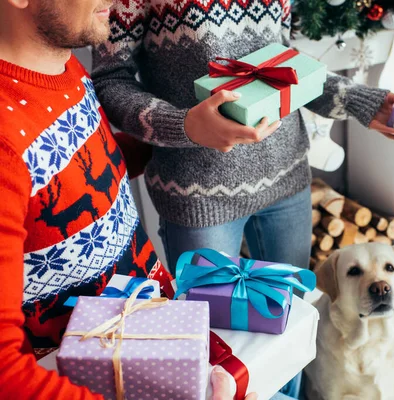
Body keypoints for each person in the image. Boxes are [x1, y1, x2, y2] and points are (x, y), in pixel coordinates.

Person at [0, 1, 251, 399]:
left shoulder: (63, 67)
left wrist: (187, 133)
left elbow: (83, 169)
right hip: (102, 375)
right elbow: (6, 374)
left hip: (157, 330)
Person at [91, 0, 394, 279]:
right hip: (199, 196)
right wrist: (183, 124)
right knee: (214, 329)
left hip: (288, 181)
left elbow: (284, 65)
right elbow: (110, 79)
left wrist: (361, 101)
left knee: (290, 318)